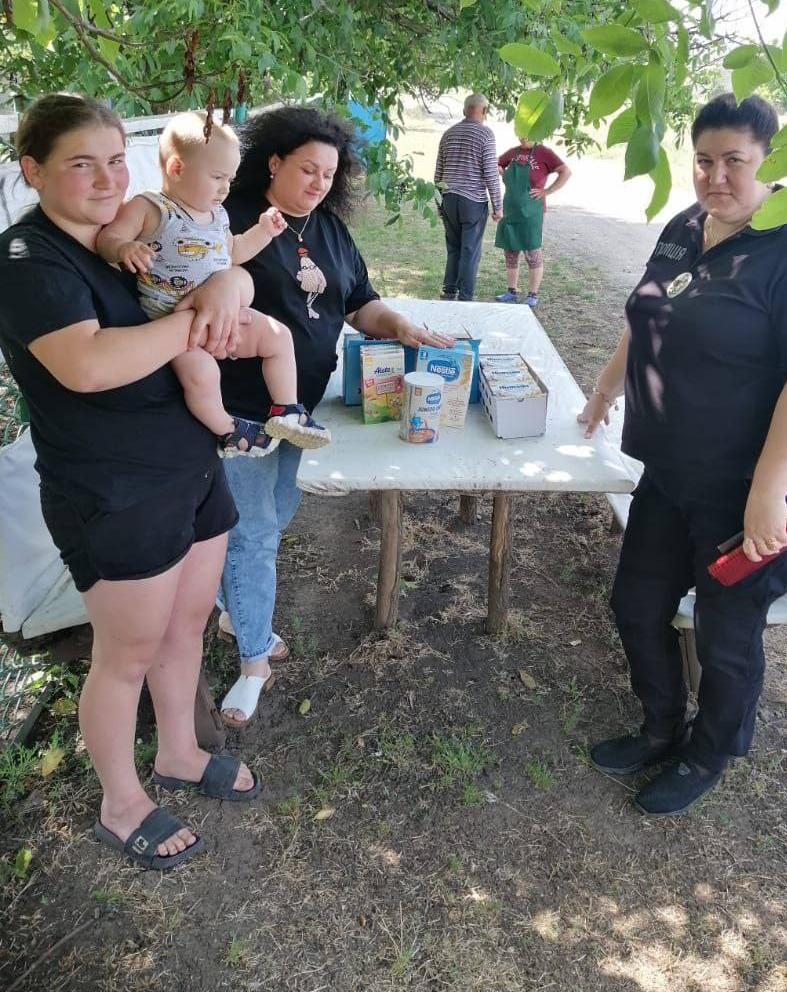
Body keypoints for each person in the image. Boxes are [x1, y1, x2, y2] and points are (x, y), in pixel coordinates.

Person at [0, 94, 261, 872]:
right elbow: (88, 365)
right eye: (81, 164)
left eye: (116, 160)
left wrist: (229, 288)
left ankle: (178, 750)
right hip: (112, 489)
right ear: (32, 171)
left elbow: (227, 272)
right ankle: (120, 804)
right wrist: (198, 314)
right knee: (126, 654)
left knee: (186, 627)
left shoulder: (134, 234)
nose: (107, 179)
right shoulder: (29, 260)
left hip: (191, 466)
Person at [579, 93, 787, 816]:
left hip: (748, 492)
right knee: (636, 604)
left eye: (735, 161)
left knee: (726, 635)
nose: (715, 176)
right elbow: (645, 317)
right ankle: (661, 726)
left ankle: (709, 753)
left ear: (770, 161)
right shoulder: (684, 227)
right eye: (703, 160)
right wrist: (604, 390)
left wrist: (768, 493)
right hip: (671, 473)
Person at [216, 106, 454, 727]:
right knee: (253, 535)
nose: (320, 183)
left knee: (274, 517)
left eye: (329, 173)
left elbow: (359, 304)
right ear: (273, 163)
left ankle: (232, 605)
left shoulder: (329, 231)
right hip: (240, 410)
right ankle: (253, 661)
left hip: (299, 409)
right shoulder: (232, 223)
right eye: (307, 170)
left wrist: (398, 325)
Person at [96, 111, 330, 457]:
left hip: (225, 318)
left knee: (279, 337)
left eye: (230, 179)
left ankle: (287, 410)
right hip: (175, 327)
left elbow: (233, 253)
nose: (225, 188)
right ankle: (229, 431)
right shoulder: (150, 207)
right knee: (202, 377)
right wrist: (123, 248)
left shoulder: (217, 214)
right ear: (177, 168)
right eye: (218, 177)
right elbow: (108, 237)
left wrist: (264, 231)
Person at [433, 92, 503, 301]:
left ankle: (449, 291)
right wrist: (498, 206)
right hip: (473, 201)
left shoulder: (448, 134)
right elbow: (491, 173)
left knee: (453, 248)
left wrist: (439, 203)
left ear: (464, 110)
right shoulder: (485, 135)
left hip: (449, 198)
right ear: (485, 111)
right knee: (470, 251)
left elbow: (438, 172)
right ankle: (465, 296)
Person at [494, 135, 571, 308]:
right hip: (511, 210)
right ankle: (511, 292)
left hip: (532, 212)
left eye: (526, 133)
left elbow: (566, 172)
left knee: (532, 251)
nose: (522, 137)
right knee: (510, 251)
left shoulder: (545, 153)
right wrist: (500, 169)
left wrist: (548, 190)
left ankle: (532, 294)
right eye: (519, 132)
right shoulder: (513, 153)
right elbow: (495, 163)